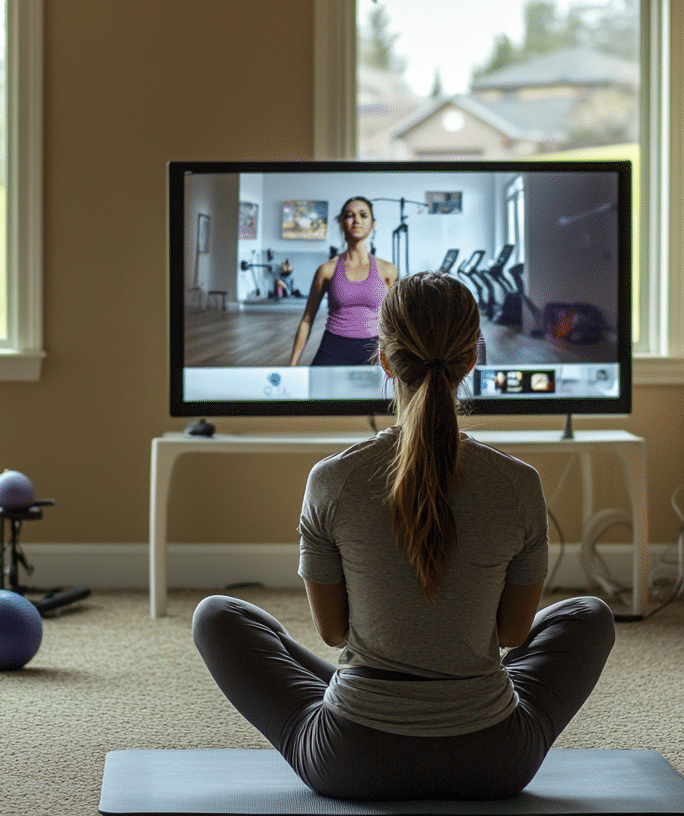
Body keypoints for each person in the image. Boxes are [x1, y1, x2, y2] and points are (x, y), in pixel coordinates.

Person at [194, 272, 615, 801]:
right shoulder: (519, 485)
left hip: (350, 760)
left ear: (385, 360)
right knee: (589, 616)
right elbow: (511, 633)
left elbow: (333, 631)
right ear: (471, 360)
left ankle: (375, 689)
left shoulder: (332, 480)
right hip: (495, 761)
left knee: (216, 616)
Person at [288, 196, 399, 366]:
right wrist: (292, 365)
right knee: (316, 391)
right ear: (341, 223)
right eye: (349, 215)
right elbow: (307, 320)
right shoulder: (327, 270)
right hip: (334, 347)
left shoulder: (388, 270)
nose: (356, 220)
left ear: (373, 223)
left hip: (374, 350)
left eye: (363, 215)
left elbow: (396, 322)